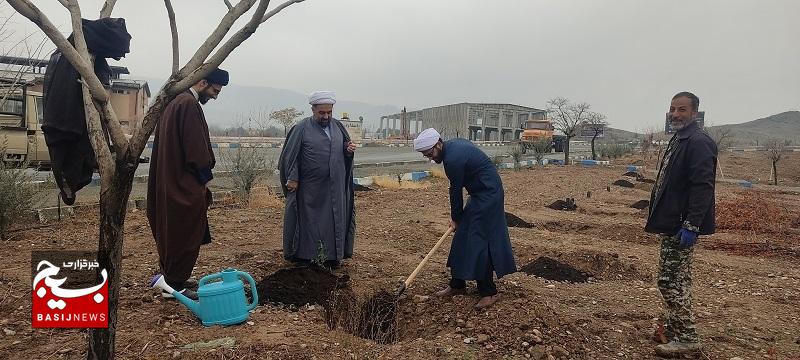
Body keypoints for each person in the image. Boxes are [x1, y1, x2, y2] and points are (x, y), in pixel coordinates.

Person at [645, 91, 717, 357]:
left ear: (694, 113)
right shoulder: (680, 138)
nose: (675, 114)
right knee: (679, 279)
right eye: (673, 109)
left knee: (669, 281)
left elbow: (703, 187)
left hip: (681, 226)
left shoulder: (698, 142)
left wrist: (692, 225)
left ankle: (687, 338)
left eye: (682, 110)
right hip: (673, 223)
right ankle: (677, 330)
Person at [147, 68, 228, 300]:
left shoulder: (175, 102)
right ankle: (174, 286)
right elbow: (196, 152)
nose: (215, 96)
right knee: (183, 232)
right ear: (202, 82)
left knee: (172, 230)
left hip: (170, 180)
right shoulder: (189, 105)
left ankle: (173, 277)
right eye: (214, 90)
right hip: (182, 185)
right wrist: (203, 181)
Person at [413, 128, 516, 309]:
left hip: (488, 195)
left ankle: (489, 292)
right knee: (461, 237)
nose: (429, 157)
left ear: (438, 144)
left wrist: (456, 218)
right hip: (478, 193)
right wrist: (459, 221)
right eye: (425, 154)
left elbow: (455, 192)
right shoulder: (452, 147)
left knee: (478, 241)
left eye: (429, 153)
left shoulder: (452, 159)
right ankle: (457, 285)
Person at [278, 91, 356, 268]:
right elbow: (291, 157)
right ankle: (306, 257)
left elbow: (342, 148)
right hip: (309, 189)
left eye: (329, 112)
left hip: (334, 188)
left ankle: (332, 257)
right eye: (322, 113)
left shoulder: (338, 127)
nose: (326, 116)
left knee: (333, 222)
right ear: (313, 109)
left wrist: (348, 149)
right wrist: (293, 178)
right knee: (310, 223)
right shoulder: (301, 128)